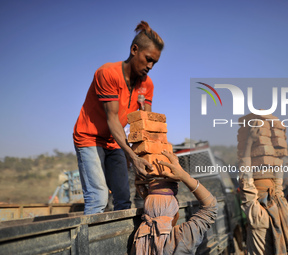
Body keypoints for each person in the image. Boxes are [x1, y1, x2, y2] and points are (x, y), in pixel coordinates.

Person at [73, 21, 164, 214]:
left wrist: (151, 155)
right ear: (134, 49)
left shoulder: (147, 85)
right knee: (98, 198)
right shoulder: (107, 73)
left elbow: (145, 125)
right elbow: (112, 119)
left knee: (123, 198)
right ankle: (91, 245)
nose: (150, 66)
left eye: (154, 62)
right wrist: (132, 155)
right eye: (148, 59)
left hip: (114, 141)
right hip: (89, 138)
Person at [131, 150, 218, 255]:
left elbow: (155, 214)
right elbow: (211, 206)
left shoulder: (139, 240)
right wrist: (184, 176)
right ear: (176, 215)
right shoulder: (182, 238)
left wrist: (148, 197)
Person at [239, 125, 288, 255]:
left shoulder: (257, 214)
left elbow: (245, 179)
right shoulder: (281, 205)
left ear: (255, 190)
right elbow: (278, 183)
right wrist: (279, 147)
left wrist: (249, 143)